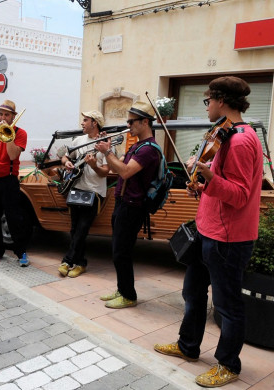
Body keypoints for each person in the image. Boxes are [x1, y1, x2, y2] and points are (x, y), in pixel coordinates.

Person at [153, 77, 262, 388]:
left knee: (228, 306)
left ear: (222, 101)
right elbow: (222, 188)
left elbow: (240, 195)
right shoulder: (227, 136)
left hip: (228, 239)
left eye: (208, 101)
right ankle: (188, 346)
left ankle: (228, 364)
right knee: (193, 293)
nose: (208, 107)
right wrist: (203, 186)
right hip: (209, 230)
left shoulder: (240, 141)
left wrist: (209, 176)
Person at [94, 101, 160, 309]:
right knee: (118, 250)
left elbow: (124, 171)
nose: (128, 125)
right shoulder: (136, 145)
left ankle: (128, 295)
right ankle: (122, 288)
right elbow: (118, 166)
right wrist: (107, 150)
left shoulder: (148, 150)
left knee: (122, 252)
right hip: (123, 202)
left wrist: (107, 152)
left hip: (133, 206)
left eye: (132, 122)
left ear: (145, 122)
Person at [59, 111, 109, 278]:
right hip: (77, 187)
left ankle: (67, 260)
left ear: (94, 123)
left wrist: (94, 165)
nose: (82, 123)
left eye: (85, 120)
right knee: (74, 229)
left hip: (94, 191)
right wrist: (67, 163)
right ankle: (79, 263)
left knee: (82, 229)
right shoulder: (79, 140)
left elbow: (105, 172)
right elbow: (65, 155)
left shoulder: (105, 144)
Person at [0, 99, 29, 267]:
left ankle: (21, 250)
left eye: (6, 114)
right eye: (0, 114)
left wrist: (8, 136)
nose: (2, 117)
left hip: (9, 180)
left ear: (13, 117)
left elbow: (13, 156)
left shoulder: (20, 133)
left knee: (14, 218)